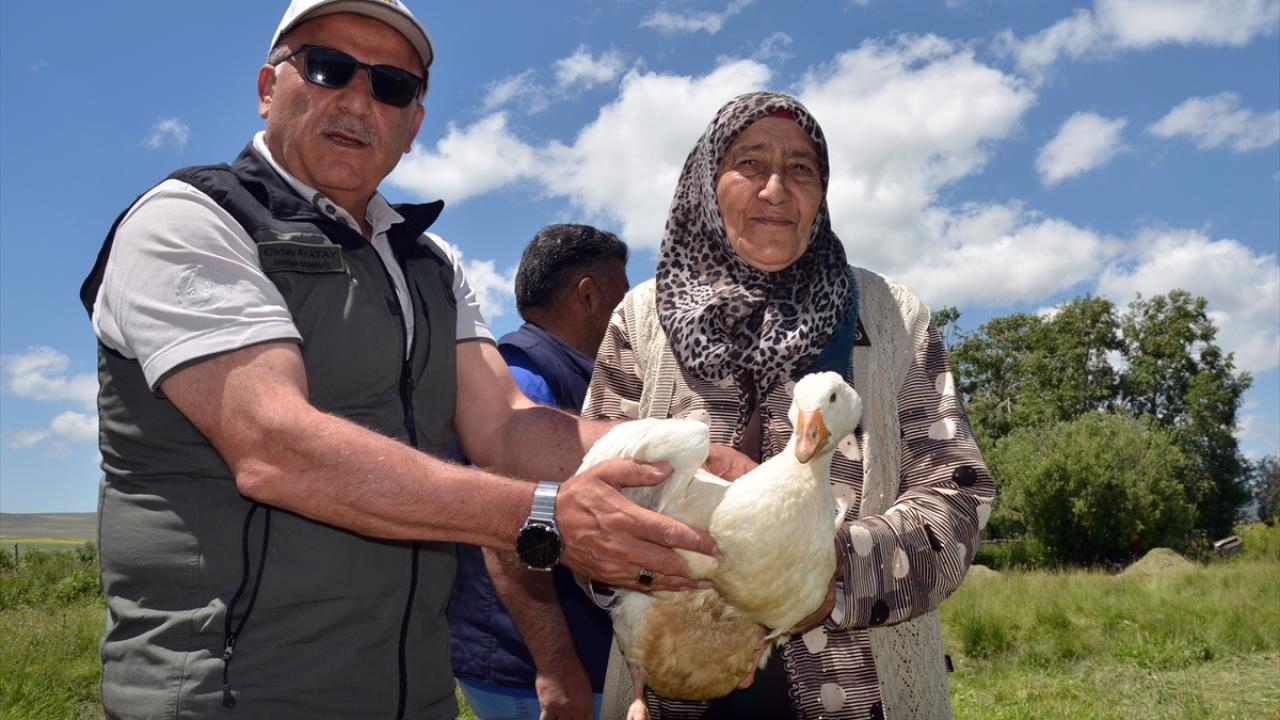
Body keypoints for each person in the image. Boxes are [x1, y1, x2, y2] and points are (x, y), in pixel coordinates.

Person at [78, 2, 750, 718]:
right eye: (329, 68)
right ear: (268, 87)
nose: (359, 100)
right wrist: (545, 517)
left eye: (393, 86)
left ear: (415, 123)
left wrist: (693, 457)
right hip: (229, 694)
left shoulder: (428, 263)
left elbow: (508, 428)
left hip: (415, 693)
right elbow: (275, 445)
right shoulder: (191, 222)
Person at [582, 91, 997, 719]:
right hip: (671, 683)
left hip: (865, 691)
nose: (776, 189)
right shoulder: (644, 319)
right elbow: (593, 497)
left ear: (822, 194)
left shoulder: (890, 317)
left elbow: (959, 494)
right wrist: (643, 557)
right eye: (750, 164)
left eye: (801, 169)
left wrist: (825, 576)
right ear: (705, 182)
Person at [450, 223, 629, 720]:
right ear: (589, 296)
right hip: (531, 674)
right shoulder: (526, 375)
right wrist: (556, 667)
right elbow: (505, 531)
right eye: (624, 298)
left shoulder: (568, 370)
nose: (631, 316)